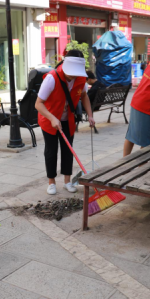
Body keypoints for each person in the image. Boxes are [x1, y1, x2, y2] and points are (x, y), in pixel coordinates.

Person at [35, 50, 95, 195]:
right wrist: (52, 118)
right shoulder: (51, 78)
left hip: (68, 119)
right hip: (49, 119)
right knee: (51, 151)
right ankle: (51, 182)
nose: (72, 76)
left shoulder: (81, 79)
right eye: (70, 72)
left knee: (68, 150)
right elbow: (38, 104)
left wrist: (90, 115)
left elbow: (84, 96)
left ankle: (67, 181)